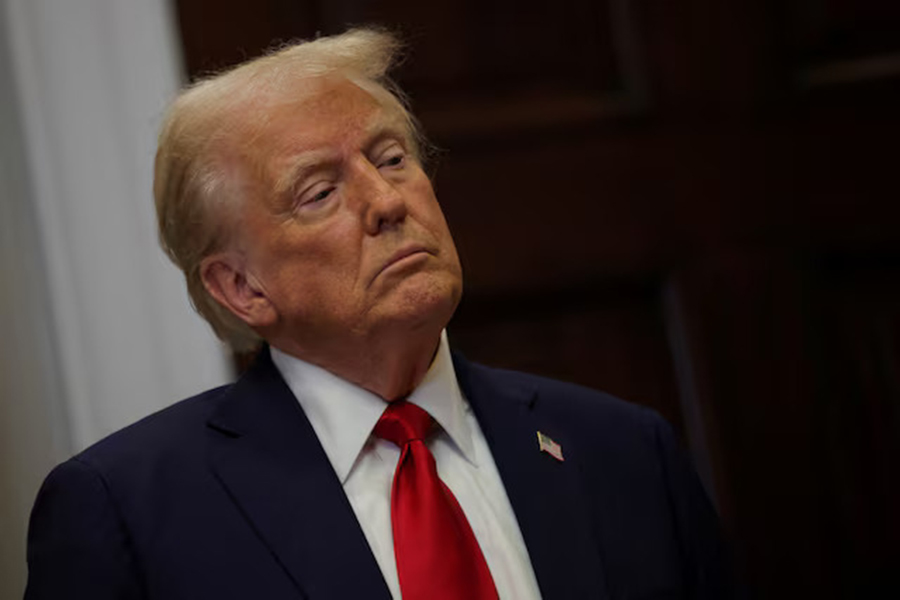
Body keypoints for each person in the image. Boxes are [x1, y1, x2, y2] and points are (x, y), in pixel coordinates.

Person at [25, 28, 738, 599]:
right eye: (319, 193)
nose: (389, 201)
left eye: (391, 158)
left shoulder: (621, 451)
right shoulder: (127, 512)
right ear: (242, 288)